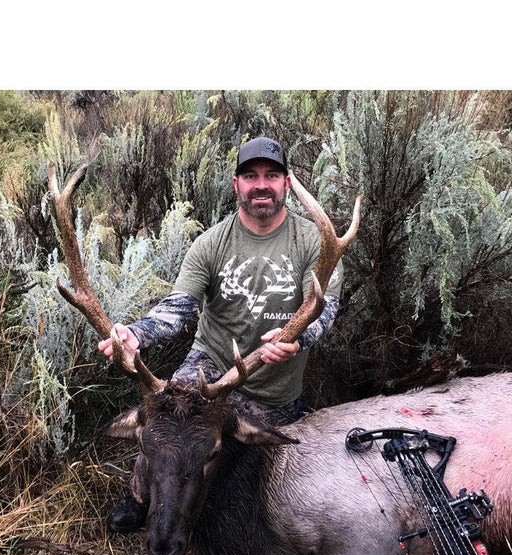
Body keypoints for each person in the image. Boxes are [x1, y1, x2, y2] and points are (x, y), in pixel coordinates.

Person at [99, 136, 343, 532]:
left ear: (286, 183)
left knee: (247, 476)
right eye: (250, 176)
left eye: (271, 175)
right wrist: (136, 336)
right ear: (236, 185)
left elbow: (325, 308)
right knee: (164, 420)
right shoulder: (211, 243)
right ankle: (140, 495)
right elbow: (178, 308)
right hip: (208, 369)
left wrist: (298, 338)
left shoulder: (314, 242)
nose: (260, 184)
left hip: (271, 385)